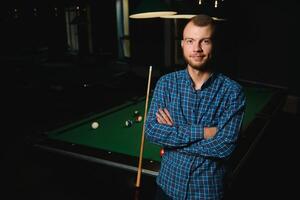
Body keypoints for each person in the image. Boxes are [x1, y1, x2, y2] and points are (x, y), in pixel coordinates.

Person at [145, 14, 246, 200]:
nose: (197, 49)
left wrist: (173, 141)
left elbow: (224, 147)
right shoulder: (166, 84)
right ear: (182, 44)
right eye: (190, 41)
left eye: (205, 41)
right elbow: (151, 131)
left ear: (214, 44)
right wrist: (204, 132)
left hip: (208, 192)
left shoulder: (233, 92)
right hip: (167, 188)